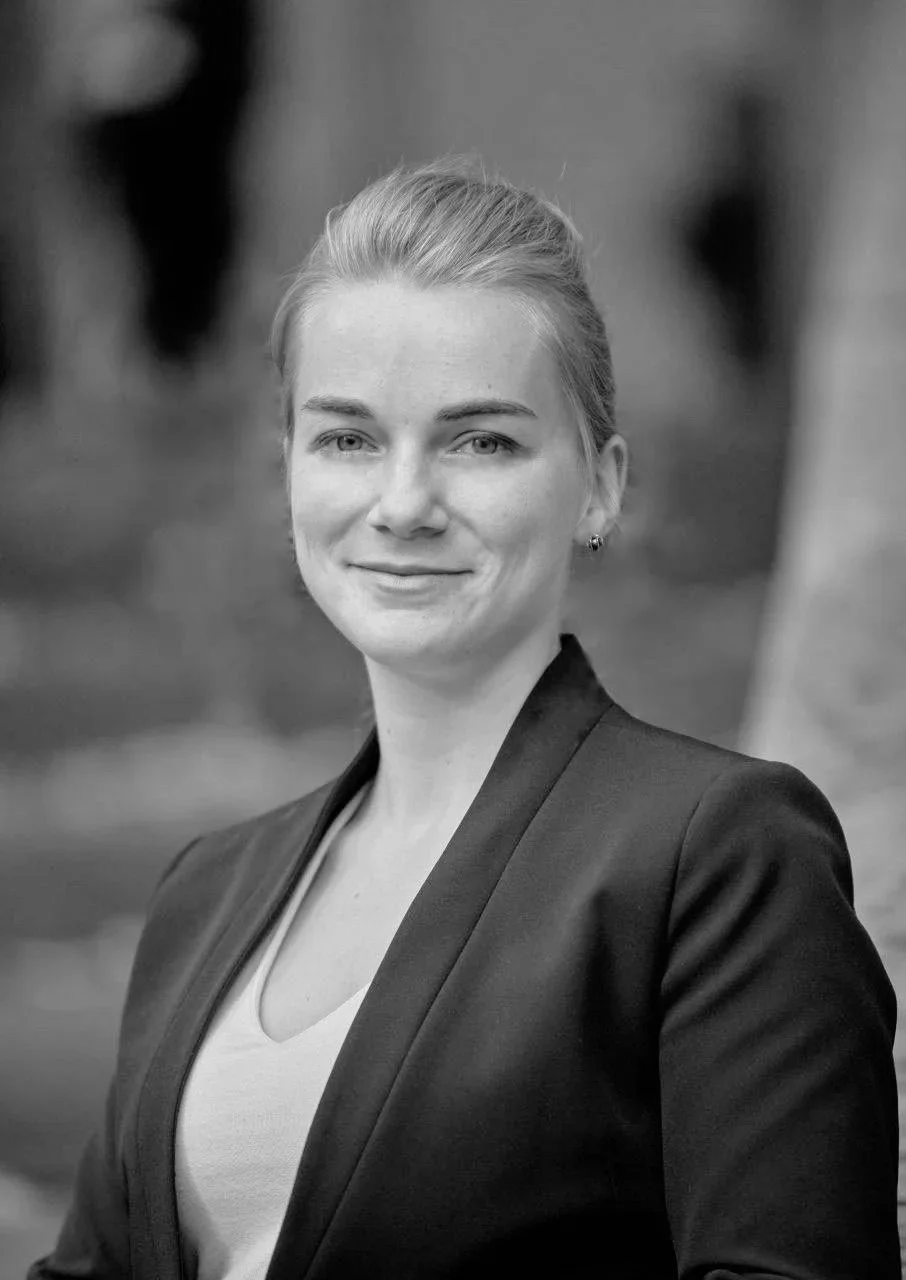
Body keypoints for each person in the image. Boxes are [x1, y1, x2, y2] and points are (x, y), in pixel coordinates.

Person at [30, 159, 900, 1280]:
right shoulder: (206, 891)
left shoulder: (720, 852)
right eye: (348, 438)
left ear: (600, 486)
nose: (403, 503)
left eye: (480, 440)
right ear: (289, 474)